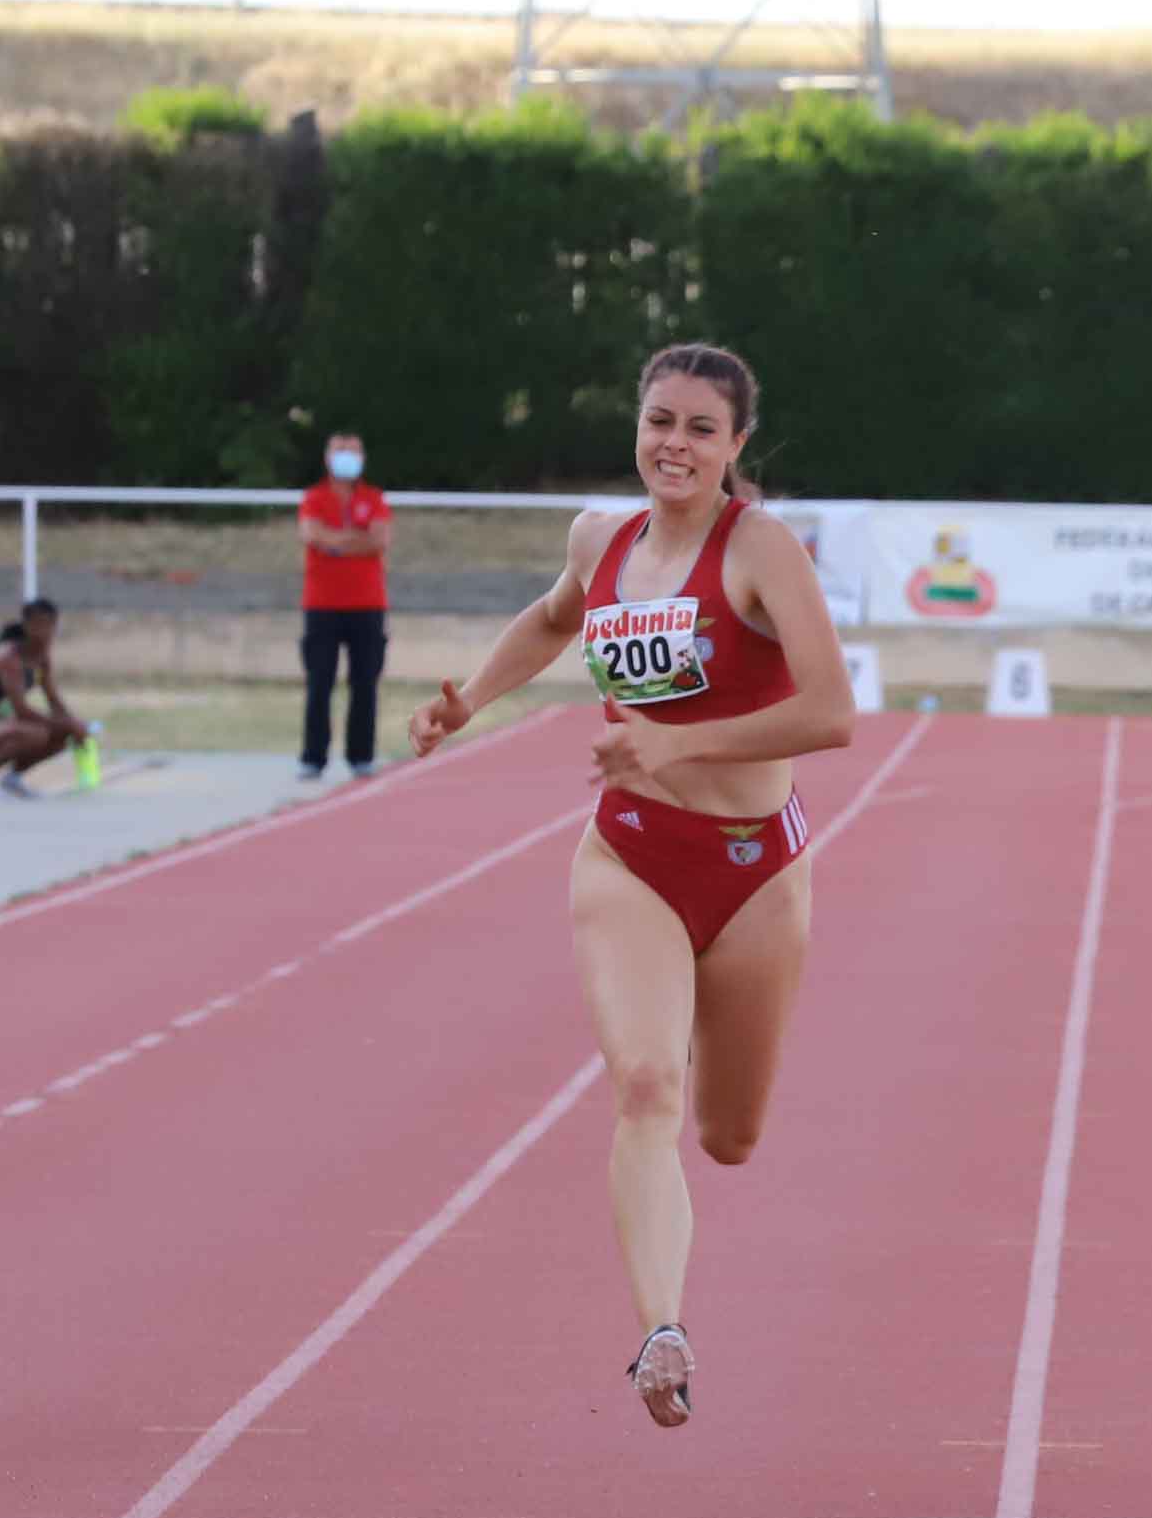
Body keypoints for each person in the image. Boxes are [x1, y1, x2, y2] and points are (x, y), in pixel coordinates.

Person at [407, 343, 852, 1428]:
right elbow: (558, 617)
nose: (676, 445)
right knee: (644, 1087)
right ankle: (662, 1329)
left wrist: (673, 744)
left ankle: (711, 1027)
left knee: (729, 1133)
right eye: (661, 420)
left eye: (703, 428)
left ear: (737, 444)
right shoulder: (599, 539)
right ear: (636, 424)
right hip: (631, 857)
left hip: (755, 873)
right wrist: (469, 697)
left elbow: (831, 712)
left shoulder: (760, 550)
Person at [301, 431, 391, 783]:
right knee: (319, 683)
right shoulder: (314, 498)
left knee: (365, 683)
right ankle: (313, 757)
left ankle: (362, 756)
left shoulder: (374, 498)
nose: (347, 457)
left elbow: (380, 540)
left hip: (367, 604)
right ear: (327, 457)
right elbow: (312, 535)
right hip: (321, 605)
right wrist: (355, 540)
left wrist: (335, 542)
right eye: (340, 451)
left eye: (353, 451)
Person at [0, 597, 89, 797]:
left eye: (49, 625)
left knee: (61, 736)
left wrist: (74, 724)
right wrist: (63, 723)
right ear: (26, 625)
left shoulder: (42, 660)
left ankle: (13, 778)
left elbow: (54, 701)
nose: (44, 632)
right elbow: (22, 710)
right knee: (35, 732)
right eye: (38, 625)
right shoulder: (9, 659)